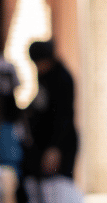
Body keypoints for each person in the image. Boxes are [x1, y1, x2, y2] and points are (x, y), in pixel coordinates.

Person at [25, 40, 78, 179]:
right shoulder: (44, 77)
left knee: (59, 184)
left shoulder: (62, 79)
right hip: (44, 140)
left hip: (60, 142)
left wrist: (55, 147)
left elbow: (64, 115)